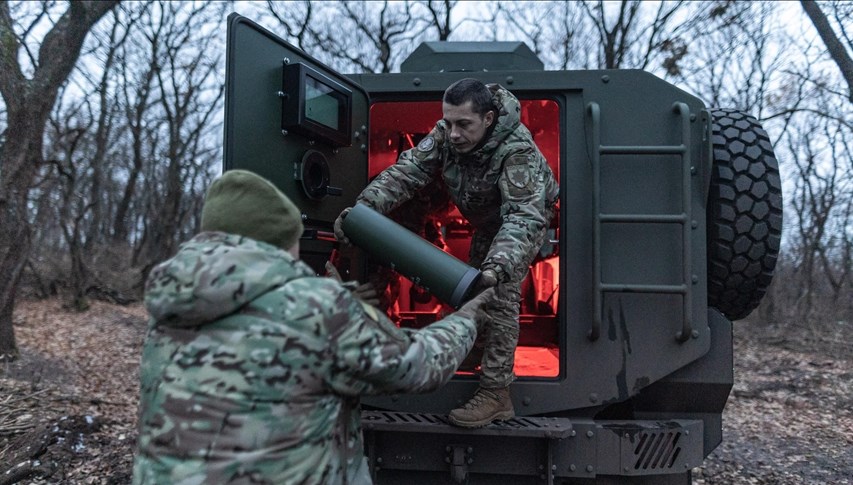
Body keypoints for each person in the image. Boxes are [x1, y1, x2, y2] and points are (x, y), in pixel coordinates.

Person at [133, 169, 494, 484]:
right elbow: (417, 366)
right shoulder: (318, 310)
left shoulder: (172, 307)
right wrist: (465, 319)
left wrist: (337, 302)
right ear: (277, 244)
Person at [334, 78, 559, 428]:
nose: (452, 133)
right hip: (486, 220)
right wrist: (363, 211)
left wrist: (498, 268)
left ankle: (496, 393)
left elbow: (522, 217)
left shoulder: (518, 153)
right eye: (449, 122)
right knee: (471, 288)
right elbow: (407, 172)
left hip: (524, 216)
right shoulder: (445, 133)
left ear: (488, 118)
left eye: (463, 124)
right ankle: (474, 348)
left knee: (498, 290)